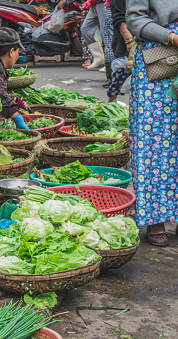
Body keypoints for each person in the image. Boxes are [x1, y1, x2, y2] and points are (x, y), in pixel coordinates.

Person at [126, 0, 178, 246]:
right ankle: (156, 219)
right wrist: (171, 37)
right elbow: (135, 20)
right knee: (155, 143)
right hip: (159, 60)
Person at [106, 0, 132, 102]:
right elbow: (119, 18)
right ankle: (111, 103)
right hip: (125, 42)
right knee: (120, 75)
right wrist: (129, 40)